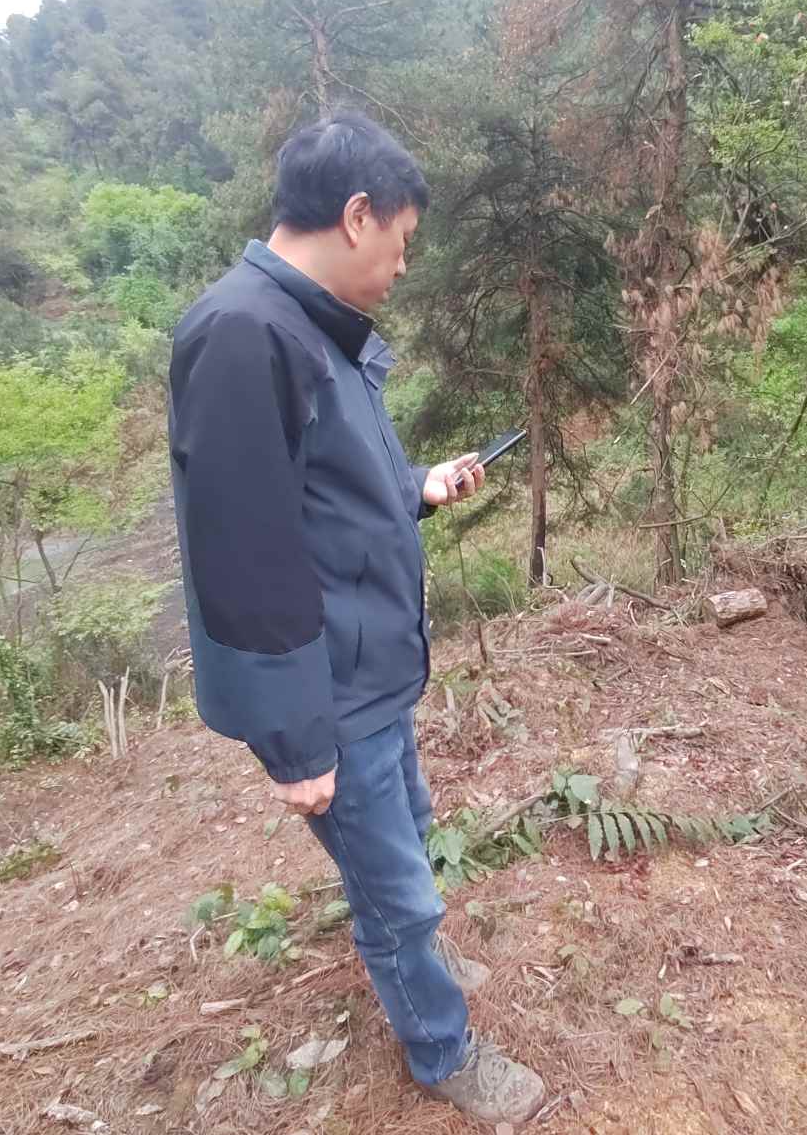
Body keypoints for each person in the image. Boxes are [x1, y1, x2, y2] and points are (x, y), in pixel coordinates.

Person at [167, 111, 546, 1125]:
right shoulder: (244, 334)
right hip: (330, 695)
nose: (404, 264)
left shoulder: (303, 326)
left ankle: (412, 953)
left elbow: (320, 491)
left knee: (407, 836)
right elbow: (242, 556)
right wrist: (295, 743)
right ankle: (442, 1048)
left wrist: (417, 486)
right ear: (357, 215)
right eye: (403, 240)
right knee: (396, 890)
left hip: (369, 667)